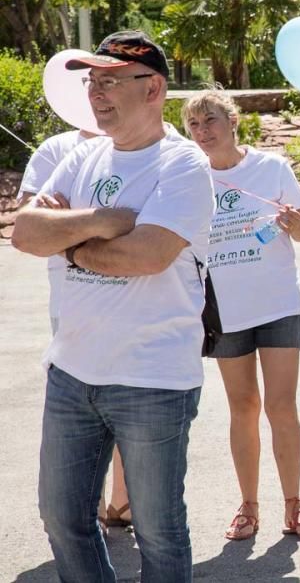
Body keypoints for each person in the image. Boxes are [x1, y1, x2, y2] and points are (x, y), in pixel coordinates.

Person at [11, 30, 214, 582]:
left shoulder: (184, 165)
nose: (95, 93)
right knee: (62, 518)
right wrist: (105, 222)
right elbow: (25, 233)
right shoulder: (82, 156)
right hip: (72, 371)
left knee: (159, 532)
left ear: (153, 89)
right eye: (91, 81)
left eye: (109, 81)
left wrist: (67, 238)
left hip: (152, 378)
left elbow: (147, 255)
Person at [181, 89, 300, 540]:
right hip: (222, 309)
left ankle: (295, 506)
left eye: (210, 121)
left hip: (278, 303)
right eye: (194, 125)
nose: (202, 132)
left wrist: (294, 224)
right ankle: (248, 506)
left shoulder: (271, 167)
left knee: (282, 406)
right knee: (242, 408)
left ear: (233, 121)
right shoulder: (190, 176)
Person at [16, 128, 134, 534]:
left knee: (126, 397)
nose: (98, 91)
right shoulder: (56, 149)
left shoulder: (144, 147)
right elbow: (28, 224)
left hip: (130, 297)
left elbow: (135, 229)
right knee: (84, 404)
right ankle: (94, 507)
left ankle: (123, 500)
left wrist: (67, 223)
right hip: (70, 299)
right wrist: (95, 225)